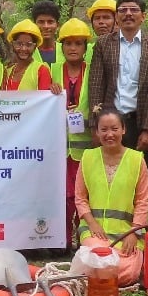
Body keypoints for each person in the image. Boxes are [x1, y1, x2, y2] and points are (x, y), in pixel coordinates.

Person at [73, 109, 148, 287]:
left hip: (127, 233)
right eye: (104, 129)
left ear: (123, 129)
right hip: (94, 232)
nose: (109, 134)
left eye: (114, 129)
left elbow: (142, 201)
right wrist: (92, 223)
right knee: (97, 258)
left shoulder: (137, 159)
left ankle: (99, 274)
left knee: (127, 270)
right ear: (97, 132)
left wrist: (134, 233)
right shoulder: (88, 157)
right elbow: (80, 198)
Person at [87, 0, 148, 154]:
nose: (128, 14)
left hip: (138, 123)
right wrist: (95, 126)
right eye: (122, 10)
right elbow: (96, 85)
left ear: (143, 16)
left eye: (134, 10)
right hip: (110, 122)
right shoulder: (103, 44)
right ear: (117, 16)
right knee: (110, 173)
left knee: (138, 174)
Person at [57, 19, 95, 248]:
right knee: (63, 197)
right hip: (59, 148)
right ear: (62, 46)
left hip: (86, 148)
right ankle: (62, 239)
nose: (73, 48)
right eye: (68, 43)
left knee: (82, 195)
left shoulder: (93, 72)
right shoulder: (51, 71)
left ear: (85, 47)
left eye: (78, 43)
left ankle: (83, 238)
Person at [3, 19, 54, 91]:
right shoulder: (6, 71)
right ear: (12, 44)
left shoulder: (41, 70)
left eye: (29, 45)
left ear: (35, 46)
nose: (23, 48)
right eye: (19, 44)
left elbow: (44, 100)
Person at [31, 0, 61, 66]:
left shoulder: (66, 51)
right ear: (34, 25)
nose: (46, 26)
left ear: (57, 25)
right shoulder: (27, 52)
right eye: (41, 22)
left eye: (50, 22)